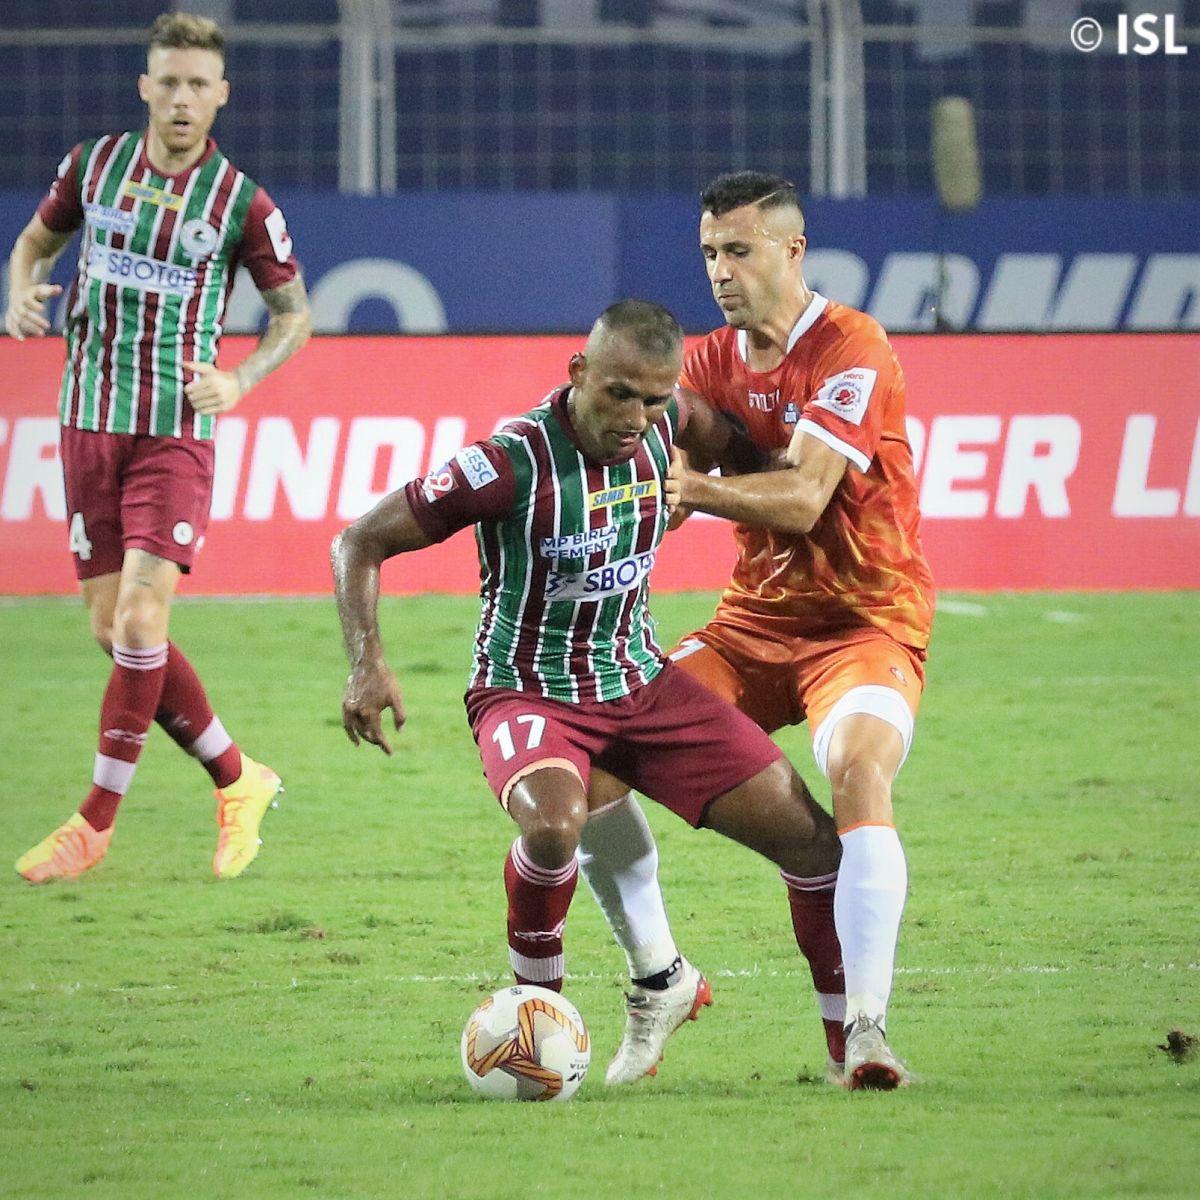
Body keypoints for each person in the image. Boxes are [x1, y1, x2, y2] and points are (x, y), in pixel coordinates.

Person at [332, 299, 845, 1086]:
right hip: (526, 692)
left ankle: (855, 1050)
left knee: (812, 841)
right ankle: (538, 1025)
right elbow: (359, 540)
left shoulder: (671, 424)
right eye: (618, 394)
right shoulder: (507, 464)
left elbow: (744, 453)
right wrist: (367, 663)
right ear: (578, 375)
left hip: (641, 684)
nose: (637, 415)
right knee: (552, 826)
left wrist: (748, 489)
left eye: (653, 397)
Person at [579, 172, 936, 1090]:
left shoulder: (853, 346)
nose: (721, 272)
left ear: (792, 249)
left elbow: (806, 493)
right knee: (595, 766)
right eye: (708, 253)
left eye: (738, 251)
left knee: (855, 767)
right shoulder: (702, 364)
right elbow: (662, 498)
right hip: (751, 626)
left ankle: (864, 1030)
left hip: (864, 622)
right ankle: (661, 978)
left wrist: (690, 488)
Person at [6, 12, 312, 883]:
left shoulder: (242, 202)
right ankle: (238, 776)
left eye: (197, 85)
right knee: (114, 631)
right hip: (85, 422)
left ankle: (93, 824)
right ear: (146, 87)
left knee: (142, 620)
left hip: (175, 432)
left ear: (221, 97)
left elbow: (296, 317)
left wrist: (241, 382)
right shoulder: (91, 167)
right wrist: (21, 293)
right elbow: (33, 245)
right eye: (167, 82)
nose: (181, 99)